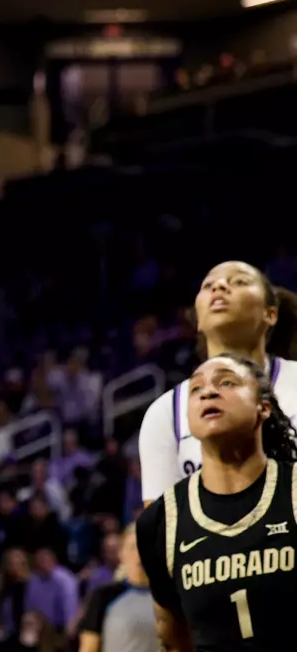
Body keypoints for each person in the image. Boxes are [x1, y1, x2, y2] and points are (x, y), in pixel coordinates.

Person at [135, 354, 297, 650]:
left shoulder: (294, 490)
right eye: (196, 389)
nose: (208, 391)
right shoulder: (161, 521)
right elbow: (173, 636)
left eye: (227, 382)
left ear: (263, 408)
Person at [138, 261, 297, 502]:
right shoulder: (165, 413)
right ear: (198, 321)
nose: (219, 286)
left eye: (239, 281)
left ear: (270, 313)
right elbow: (161, 530)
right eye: (208, 285)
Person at [76, 524, 155, 652]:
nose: (139, 554)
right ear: (121, 553)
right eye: (132, 547)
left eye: (146, 547)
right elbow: (88, 647)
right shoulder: (104, 596)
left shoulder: (171, 597)